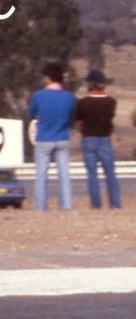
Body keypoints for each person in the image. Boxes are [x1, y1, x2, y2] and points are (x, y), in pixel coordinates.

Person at [27, 62, 77, 212]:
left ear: (48, 78)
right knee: (64, 174)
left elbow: (31, 114)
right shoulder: (69, 97)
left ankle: (41, 207)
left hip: (44, 138)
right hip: (62, 137)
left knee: (41, 175)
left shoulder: (38, 96)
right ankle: (66, 205)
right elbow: (71, 118)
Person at [75, 69, 121, 209]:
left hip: (89, 139)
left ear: (91, 84)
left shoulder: (83, 103)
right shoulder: (111, 102)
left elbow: (79, 121)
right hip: (105, 139)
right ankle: (115, 204)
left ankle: (96, 204)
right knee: (110, 174)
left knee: (92, 175)